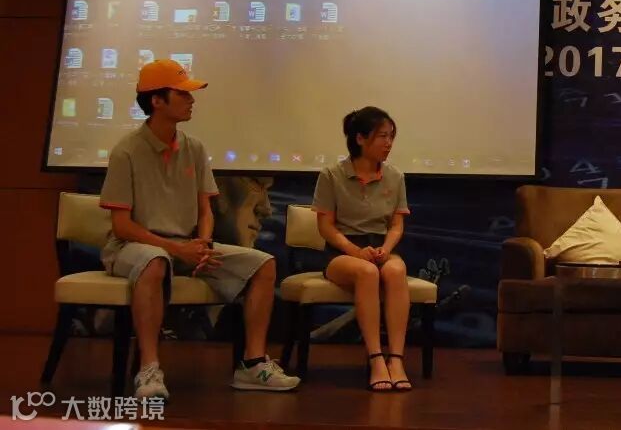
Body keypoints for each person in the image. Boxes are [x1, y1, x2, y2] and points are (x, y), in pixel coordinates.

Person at [99, 60, 300, 400]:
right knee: (154, 262)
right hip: (132, 247)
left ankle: (252, 364)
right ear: (157, 100)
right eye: (183, 94)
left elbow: (205, 209)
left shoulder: (194, 148)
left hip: (186, 246)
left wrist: (203, 244)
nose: (192, 100)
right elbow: (122, 225)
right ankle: (149, 368)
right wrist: (177, 249)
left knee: (263, 264)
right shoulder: (126, 151)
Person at [312, 107, 413, 392]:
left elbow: (396, 225)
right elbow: (326, 227)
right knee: (367, 272)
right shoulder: (332, 175)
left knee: (396, 270)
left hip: (381, 247)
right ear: (360, 138)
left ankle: (396, 359)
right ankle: (375, 358)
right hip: (343, 252)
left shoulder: (395, 176)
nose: (389, 143)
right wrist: (356, 251)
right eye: (382, 136)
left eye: (391, 136)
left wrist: (386, 248)